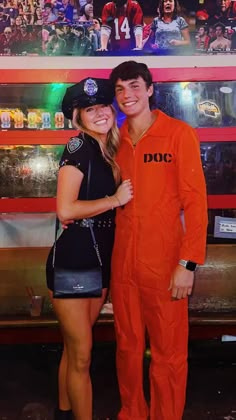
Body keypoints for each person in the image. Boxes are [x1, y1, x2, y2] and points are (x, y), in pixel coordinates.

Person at [109, 60, 208, 420]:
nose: (127, 95)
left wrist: (188, 263)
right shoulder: (113, 140)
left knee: (168, 353)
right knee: (127, 348)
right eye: (120, 89)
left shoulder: (178, 134)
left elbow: (196, 203)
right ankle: (132, 413)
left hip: (165, 265)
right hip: (123, 267)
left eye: (134, 86)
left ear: (150, 89)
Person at [46, 77, 133, 420]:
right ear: (77, 117)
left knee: (73, 349)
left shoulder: (105, 150)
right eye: (89, 109)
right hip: (74, 261)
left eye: (103, 107)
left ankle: (63, 413)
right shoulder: (78, 147)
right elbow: (65, 210)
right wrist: (113, 200)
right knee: (82, 355)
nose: (99, 114)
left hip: (99, 260)